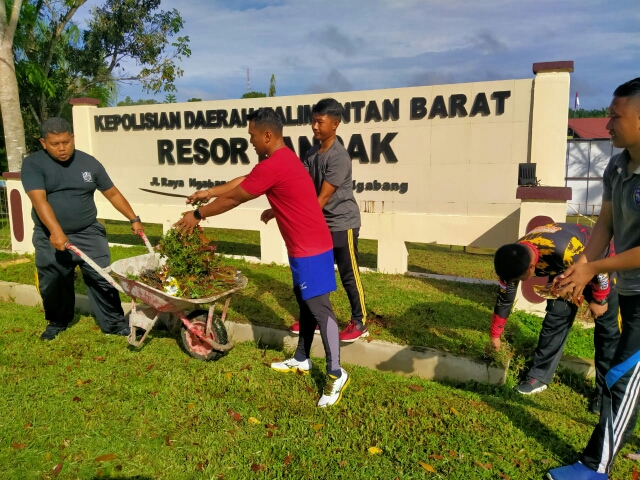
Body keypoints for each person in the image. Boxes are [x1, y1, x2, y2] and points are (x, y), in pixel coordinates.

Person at [175, 107, 349, 408]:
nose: (250, 141)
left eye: (252, 135)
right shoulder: (280, 159)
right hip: (302, 247)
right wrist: (208, 192)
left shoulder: (276, 164)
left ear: (267, 135)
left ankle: (336, 373)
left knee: (320, 310)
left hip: (312, 249)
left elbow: (235, 197)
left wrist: (198, 214)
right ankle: (302, 358)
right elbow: (246, 180)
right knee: (305, 303)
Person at [547, 79, 640, 479]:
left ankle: (593, 468)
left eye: (615, 117)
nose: (607, 125)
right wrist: (580, 268)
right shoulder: (618, 167)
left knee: (620, 376)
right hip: (632, 288)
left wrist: (594, 269)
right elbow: (605, 224)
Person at [21, 117, 144, 341]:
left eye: (66, 142)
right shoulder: (33, 164)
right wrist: (56, 231)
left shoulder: (89, 163)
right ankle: (57, 322)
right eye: (55, 144)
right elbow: (39, 201)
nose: (62, 148)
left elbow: (112, 193)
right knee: (54, 279)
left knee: (102, 276)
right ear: (43, 143)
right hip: (50, 234)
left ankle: (114, 324)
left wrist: (133, 218)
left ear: (73, 138)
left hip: (88, 231)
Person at [262, 98, 368, 342]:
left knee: (349, 275)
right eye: (313, 121)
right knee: (318, 275)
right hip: (320, 224)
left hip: (342, 223)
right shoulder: (311, 153)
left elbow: (322, 198)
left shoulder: (339, 157)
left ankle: (359, 322)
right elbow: (300, 189)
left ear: (335, 124)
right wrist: (278, 209)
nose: (314, 126)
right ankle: (317, 320)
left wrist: (296, 218)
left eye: (320, 122)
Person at [489, 223, 619, 412]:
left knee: (607, 332)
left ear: (532, 267)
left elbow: (599, 264)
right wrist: (495, 334)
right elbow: (505, 298)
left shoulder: (563, 251)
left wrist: (600, 299)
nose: (515, 283)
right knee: (555, 318)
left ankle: (605, 393)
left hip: (601, 264)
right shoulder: (513, 256)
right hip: (564, 269)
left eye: (519, 279)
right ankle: (539, 376)